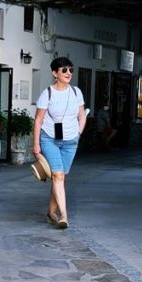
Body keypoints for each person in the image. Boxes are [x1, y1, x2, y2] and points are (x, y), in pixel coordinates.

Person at [32, 56, 86, 229]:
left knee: (61, 177)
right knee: (58, 175)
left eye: (70, 69)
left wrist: (78, 133)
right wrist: (36, 144)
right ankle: (64, 216)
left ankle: (50, 212)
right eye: (64, 70)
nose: (68, 73)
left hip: (71, 140)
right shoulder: (47, 93)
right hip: (50, 139)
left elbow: (82, 115)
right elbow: (38, 121)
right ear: (55, 73)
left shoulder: (76, 92)